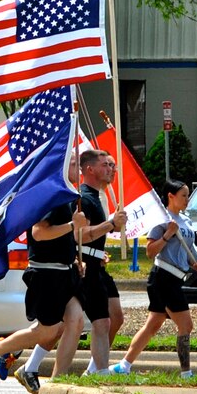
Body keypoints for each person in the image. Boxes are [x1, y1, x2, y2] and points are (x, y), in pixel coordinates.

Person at [0, 150, 88, 393]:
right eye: (75, 163)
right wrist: (71, 225)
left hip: (65, 272)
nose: (80, 168)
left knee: (74, 322)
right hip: (46, 274)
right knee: (46, 330)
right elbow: (39, 232)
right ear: (62, 166)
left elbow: (66, 235)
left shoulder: (69, 196)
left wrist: (75, 259)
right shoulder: (51, 194)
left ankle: (55, 381)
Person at [110, 180, 197, 377]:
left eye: (188, 195)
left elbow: (181, 251)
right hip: (163, 277)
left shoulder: (186, 221)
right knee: (186, 324)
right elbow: (151, 251)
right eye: (183, 195)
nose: (187, 200)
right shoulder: (162, 220)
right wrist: (167, 235)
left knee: (152, 325)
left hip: (177, 276)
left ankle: (123, 366)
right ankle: (186, 373)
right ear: (170, 196)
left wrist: (192, 265)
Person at [76, 149, 126, 374]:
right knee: (98, 322)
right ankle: (100, 371)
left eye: (112, 165)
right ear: (90, 169)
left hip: (98, 266)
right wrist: (110, 224)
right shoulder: (84, 198)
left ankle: (95, 367)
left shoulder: (98, 197)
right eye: (105, 165)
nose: (112, 169)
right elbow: (82, 235)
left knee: (115, 317)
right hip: (85, 268)